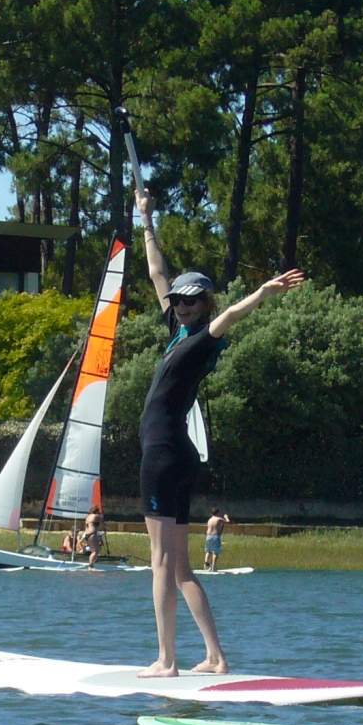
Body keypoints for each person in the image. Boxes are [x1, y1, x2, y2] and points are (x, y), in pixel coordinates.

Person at [134, 187, 304, 675]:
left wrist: (263, 294)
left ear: (205, 303)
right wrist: (147, 219)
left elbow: (229, 316)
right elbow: (156, 272)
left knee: (160, 563)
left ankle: (166, 660)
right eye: (180, 303)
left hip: (164, 456)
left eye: (192, 302)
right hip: (175, 455)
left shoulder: (201, 342)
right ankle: (215, 656)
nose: (183, 307)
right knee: (180, 565)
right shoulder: (177, 331)